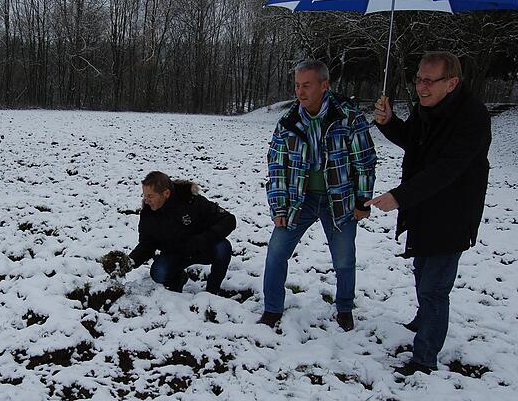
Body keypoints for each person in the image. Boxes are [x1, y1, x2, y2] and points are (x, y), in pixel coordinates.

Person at [369, 51, 491, 377]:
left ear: (451, 82)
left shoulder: (472, 117)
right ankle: (424, 320)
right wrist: (389, 122)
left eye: (429, 80)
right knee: (422, 272)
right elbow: (413, 142)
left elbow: (446, 169)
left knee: (435, 289)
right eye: (418, 78)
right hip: (424, 207)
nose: (421, 87)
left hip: (451, 213)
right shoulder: (429, 109)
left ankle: (424, 360)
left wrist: (399, 196)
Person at [261, 59, 377, 331]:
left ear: (324, 86)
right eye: (297, 86)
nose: (301, 92)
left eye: (307, 86)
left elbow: (364, 161)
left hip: (340, 199)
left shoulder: (348, 116)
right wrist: (279, 207)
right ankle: (272, 308)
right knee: (276, 253)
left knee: (345, 259)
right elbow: (276, 165)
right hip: (299, 200)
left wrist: (362, 201)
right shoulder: (289, 121)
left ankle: (345, 307)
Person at [128, 171, 236, 294]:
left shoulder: (190, 200)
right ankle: (177, 281)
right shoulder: (148, 212)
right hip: (173, 254)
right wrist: (129, 262)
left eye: (150, 196)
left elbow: (229, 220)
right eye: (145, 195)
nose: (146, 201)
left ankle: (212, 290)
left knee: (223, 248)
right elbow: (146, 244)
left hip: (202, 248)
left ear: (166, 193)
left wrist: (203, 240)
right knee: (159, 273)